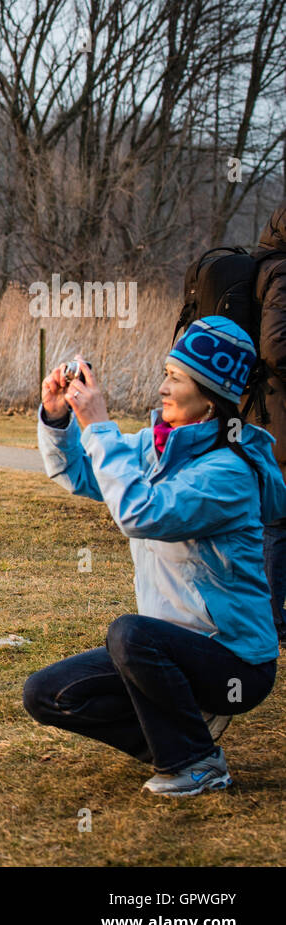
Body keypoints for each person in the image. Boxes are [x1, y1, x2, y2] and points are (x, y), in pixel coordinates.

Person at [23, 316, 286, 796]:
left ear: (210, 399)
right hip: (170, 650)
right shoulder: (157, 446)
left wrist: (100, 425)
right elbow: (81, 474)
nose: (162, 387)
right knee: (46, 694)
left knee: (130, 633)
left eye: (177, 378)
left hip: (234, 661)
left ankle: (196, 762)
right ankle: (180, 736)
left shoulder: (229, 473)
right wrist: (59, 419)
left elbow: (139, 513)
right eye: (165, 372)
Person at [249, 201, 286, 643]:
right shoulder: (280, 273)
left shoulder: (264, 267)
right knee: (277, 517)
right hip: (275, 406)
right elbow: (277, 346)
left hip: (260, 404)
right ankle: (271, 621)